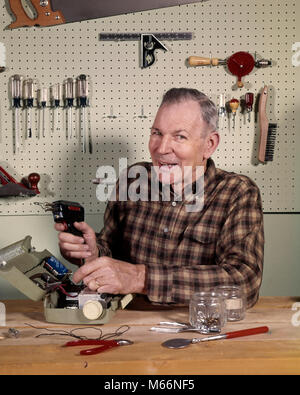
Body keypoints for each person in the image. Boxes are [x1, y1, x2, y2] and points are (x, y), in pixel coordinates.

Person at [55, 88, 264, 308]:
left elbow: (244, 283)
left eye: (179, 136)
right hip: (127, 323)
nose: (162, 148)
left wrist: (141, 278)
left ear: (208, 145)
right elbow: (111, 250)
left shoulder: (237, 193)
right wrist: (92, 251)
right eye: (157, 133)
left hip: (197, 328)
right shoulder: (133, 179)